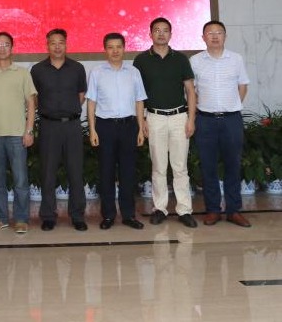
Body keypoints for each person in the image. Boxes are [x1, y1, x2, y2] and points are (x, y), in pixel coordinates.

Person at [132, 17, 198, 228]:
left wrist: (191, 119)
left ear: (171, 34)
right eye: (157, 30)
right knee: (158, 166)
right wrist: (141, 120)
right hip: (154, 118)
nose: (161, 34)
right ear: (150, 34)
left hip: (179, 117)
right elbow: (138, 95)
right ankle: (160, 208)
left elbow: (190, 91)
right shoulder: (141, 60)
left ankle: (184, 210)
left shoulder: (181, 59)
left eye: (165, 30)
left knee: (180, 167)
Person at [190, 20, 251, 227]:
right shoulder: (195, 61)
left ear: (225, 36)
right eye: (210, 33)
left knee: (233, 165)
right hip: (205, 121)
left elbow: (243, 86)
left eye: (219, 32)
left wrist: (231, 105)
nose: (215, 36)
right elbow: (191, 90)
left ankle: (234, 210)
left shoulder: (236, 59)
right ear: (203, 37)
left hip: (231, 120)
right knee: (208, 166)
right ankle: (213, 210)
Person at [86, 33, 147, 230]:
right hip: (105, 127)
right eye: (111, 47)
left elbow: (139, 101)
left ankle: (129, 215)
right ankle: (108, 215)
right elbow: (91, 102)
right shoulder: (97, 72)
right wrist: (92, 130)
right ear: (105, 49)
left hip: (129, 126)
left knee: (128, 172)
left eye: (118, 47)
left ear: (124, 48)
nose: (115, 51)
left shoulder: (134, 72)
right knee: (106, 172)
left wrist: (140, 128)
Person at [30, 29, 88, 232]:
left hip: (72, 125)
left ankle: (77, 215)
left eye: (60, 42)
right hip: (48, 126)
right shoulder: (37, 70)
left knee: (75, 171)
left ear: (66, 44)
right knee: (48, 172)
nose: (57, 46)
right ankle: (48, 216)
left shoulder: (77, 68)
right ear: (47, 45)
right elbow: (34, 98)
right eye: (53, 43)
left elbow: (81, 95)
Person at [0, 32, 36, 234]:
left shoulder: (22, 73)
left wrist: (29, 131)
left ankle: (21, 219)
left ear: (12, 48)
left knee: (21, 180)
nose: (2, 48)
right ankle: (0, 218)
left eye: (6, 44)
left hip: (17, 134)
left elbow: (31, 103)